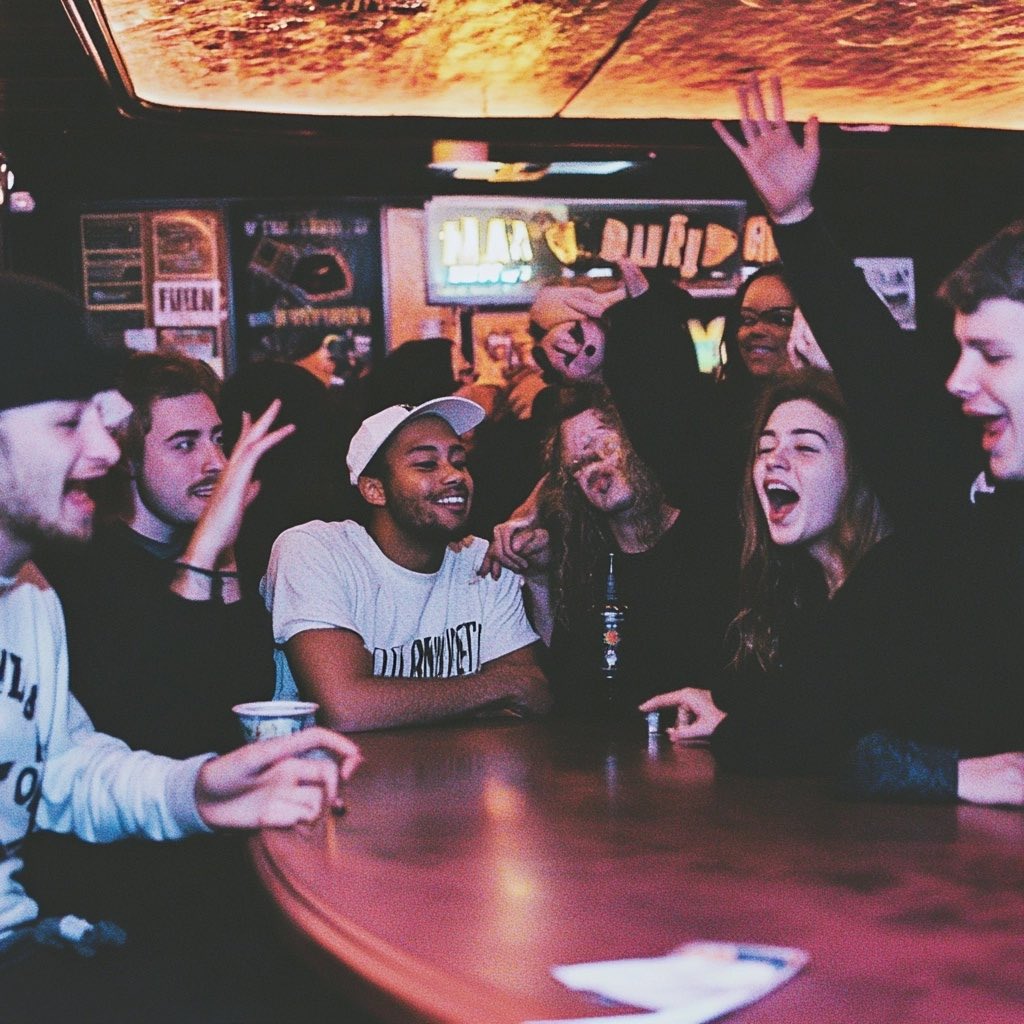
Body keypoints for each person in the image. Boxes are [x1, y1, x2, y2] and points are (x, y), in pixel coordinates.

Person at [0, 273, 361, 1021]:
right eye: (68, 423)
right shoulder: (69, 576)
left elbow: (65, 765)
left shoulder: (29, 598)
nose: (104, 450)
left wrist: (195, 790)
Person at [710, 74, 1024, 804]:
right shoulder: (960, 517)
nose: (958, 381)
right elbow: (884, 376)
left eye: (993, 354)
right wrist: (794, 219)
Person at [639, 369, 902, 775]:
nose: (774, 461)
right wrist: (721, 708)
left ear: (858, 469)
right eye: (765, 448)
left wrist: (734, 730)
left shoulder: (898, 589)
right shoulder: (794, 597)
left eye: (805, 447)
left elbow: (842, 738)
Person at [263, 397, 551, 732]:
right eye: (427, 464)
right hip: (325, 765)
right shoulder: (315, 550)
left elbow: (535, 693)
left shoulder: (483, 561)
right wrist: (501, 685)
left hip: (459, 764)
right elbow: (346, 708)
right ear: (374, 490)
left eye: (459, 461)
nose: (454, 475)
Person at [493, 384, 736, 717]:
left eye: (605, 446)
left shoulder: (715, 543)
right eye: (578, 463)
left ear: (641, 441)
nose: (592, 466)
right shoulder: (588, 564)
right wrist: (538, 579)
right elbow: (568, 686)